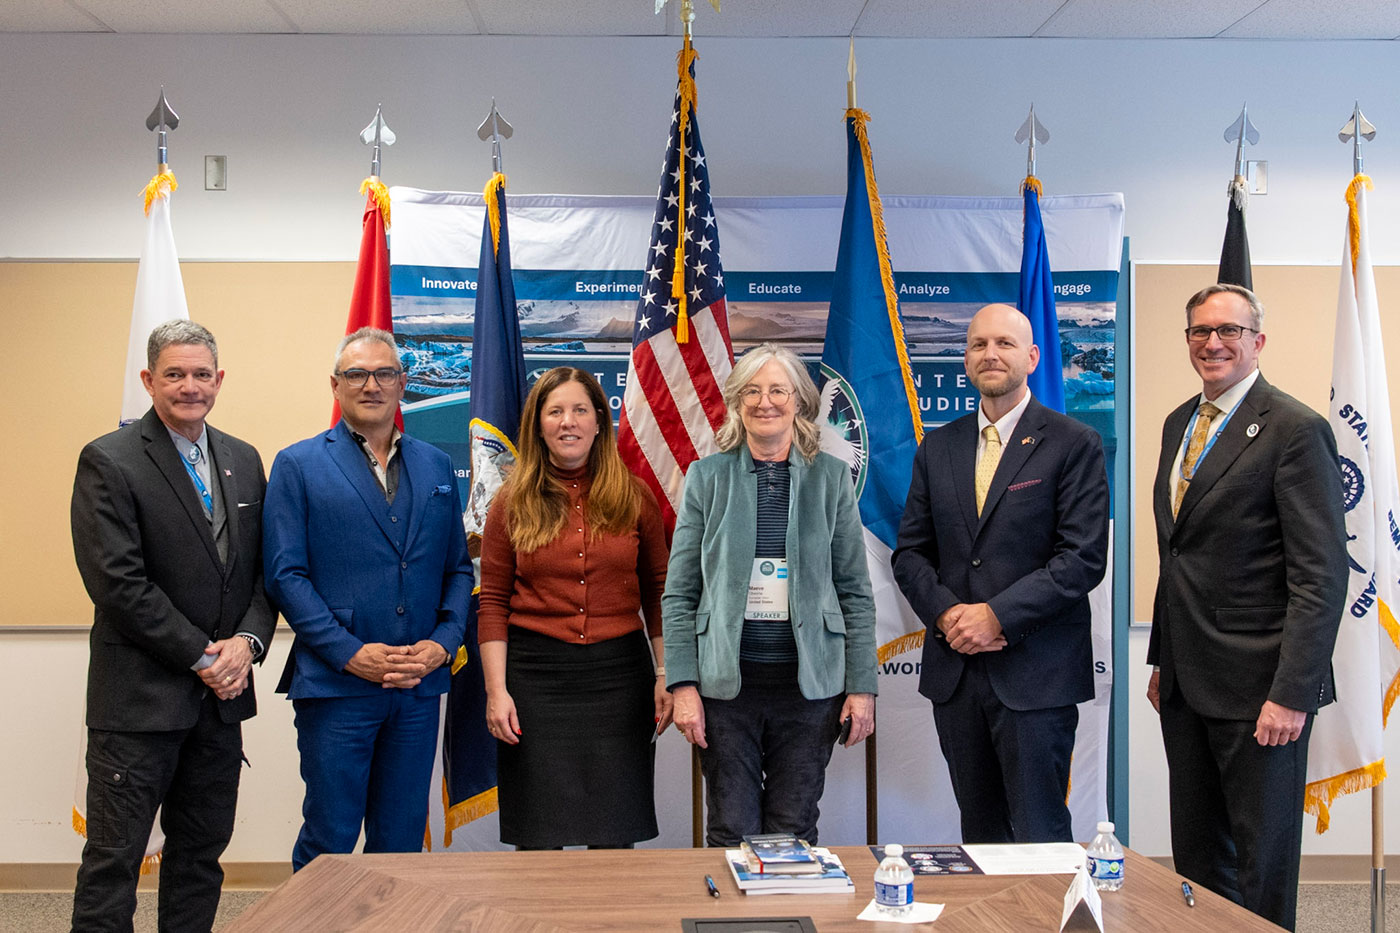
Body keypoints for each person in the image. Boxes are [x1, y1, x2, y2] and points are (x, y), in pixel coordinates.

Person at [1147, 283, 1345, 930]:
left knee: (1262, 867)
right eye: (1200, 331)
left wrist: (1294, 691)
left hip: (1263, 693)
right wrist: (1161, 659)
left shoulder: (1294, 429)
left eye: (1229, 330)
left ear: (1257, 340)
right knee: (1198, 862)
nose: (1213, 342)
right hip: (1186, 683)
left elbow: (1321, 575)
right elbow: (1176, 552)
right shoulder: (1180, 422)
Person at [69, 320, 276, 932]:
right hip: (137, 709)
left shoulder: (242, 457)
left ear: (220, 379)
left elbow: (263, 575)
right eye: (175, 374)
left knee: (200, 859)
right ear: (148, 380)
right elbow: (118, 585)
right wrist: (206, 658)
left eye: (201, 374)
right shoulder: (109, 459)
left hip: (220, 710)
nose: (190, 386)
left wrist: (247, 644)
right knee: (113, 864)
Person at [892, 303, 1108, 844]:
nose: (990, 354)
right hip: (957, 674)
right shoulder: (938, 447)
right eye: (978, 344)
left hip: (1036, 675)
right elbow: (911, 554)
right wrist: (947, 616)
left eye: (1005, 344)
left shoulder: (1073, 442)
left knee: (1040, 833)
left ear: (1032, 357)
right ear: (965, 359)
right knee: (980, 832)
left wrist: (996, 616)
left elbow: (1081, 558)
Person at [263, 326, 472, 871]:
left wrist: (443, 644)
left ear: (404, 383)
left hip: (418, 685)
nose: (371, 384)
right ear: (335, 385)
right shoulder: (298, 464)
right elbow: (286, 575)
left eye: (384, 373)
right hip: (337, 686)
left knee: (401, 841)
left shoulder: (436, 466)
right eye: (356, 374)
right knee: (330, 835)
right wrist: (350, 652)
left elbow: (457, 568)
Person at [664, 342, 877, 847]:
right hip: (724, 691)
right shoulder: (706, 478)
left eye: (778, 390)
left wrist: (862, 686)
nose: (766, 402)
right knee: (731, 828)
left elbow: (855, 591)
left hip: (809, 692)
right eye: (753, 391)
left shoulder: (830, 479)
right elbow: (680, 594)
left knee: (793, 828)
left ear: (799, 402)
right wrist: (683, 686)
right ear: (738, 403)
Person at [478, 367, 671, 848]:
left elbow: (659, 590)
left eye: (580, 409)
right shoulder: (510, 504)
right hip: (534, 680)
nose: (569, 421)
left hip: (619, 679)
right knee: (538, 836)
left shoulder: (634, 496)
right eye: (556, 411)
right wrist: (497, 691)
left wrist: (668, 673)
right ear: (538, 425)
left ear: (600, 422)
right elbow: (494, 602)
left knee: (613, 832)